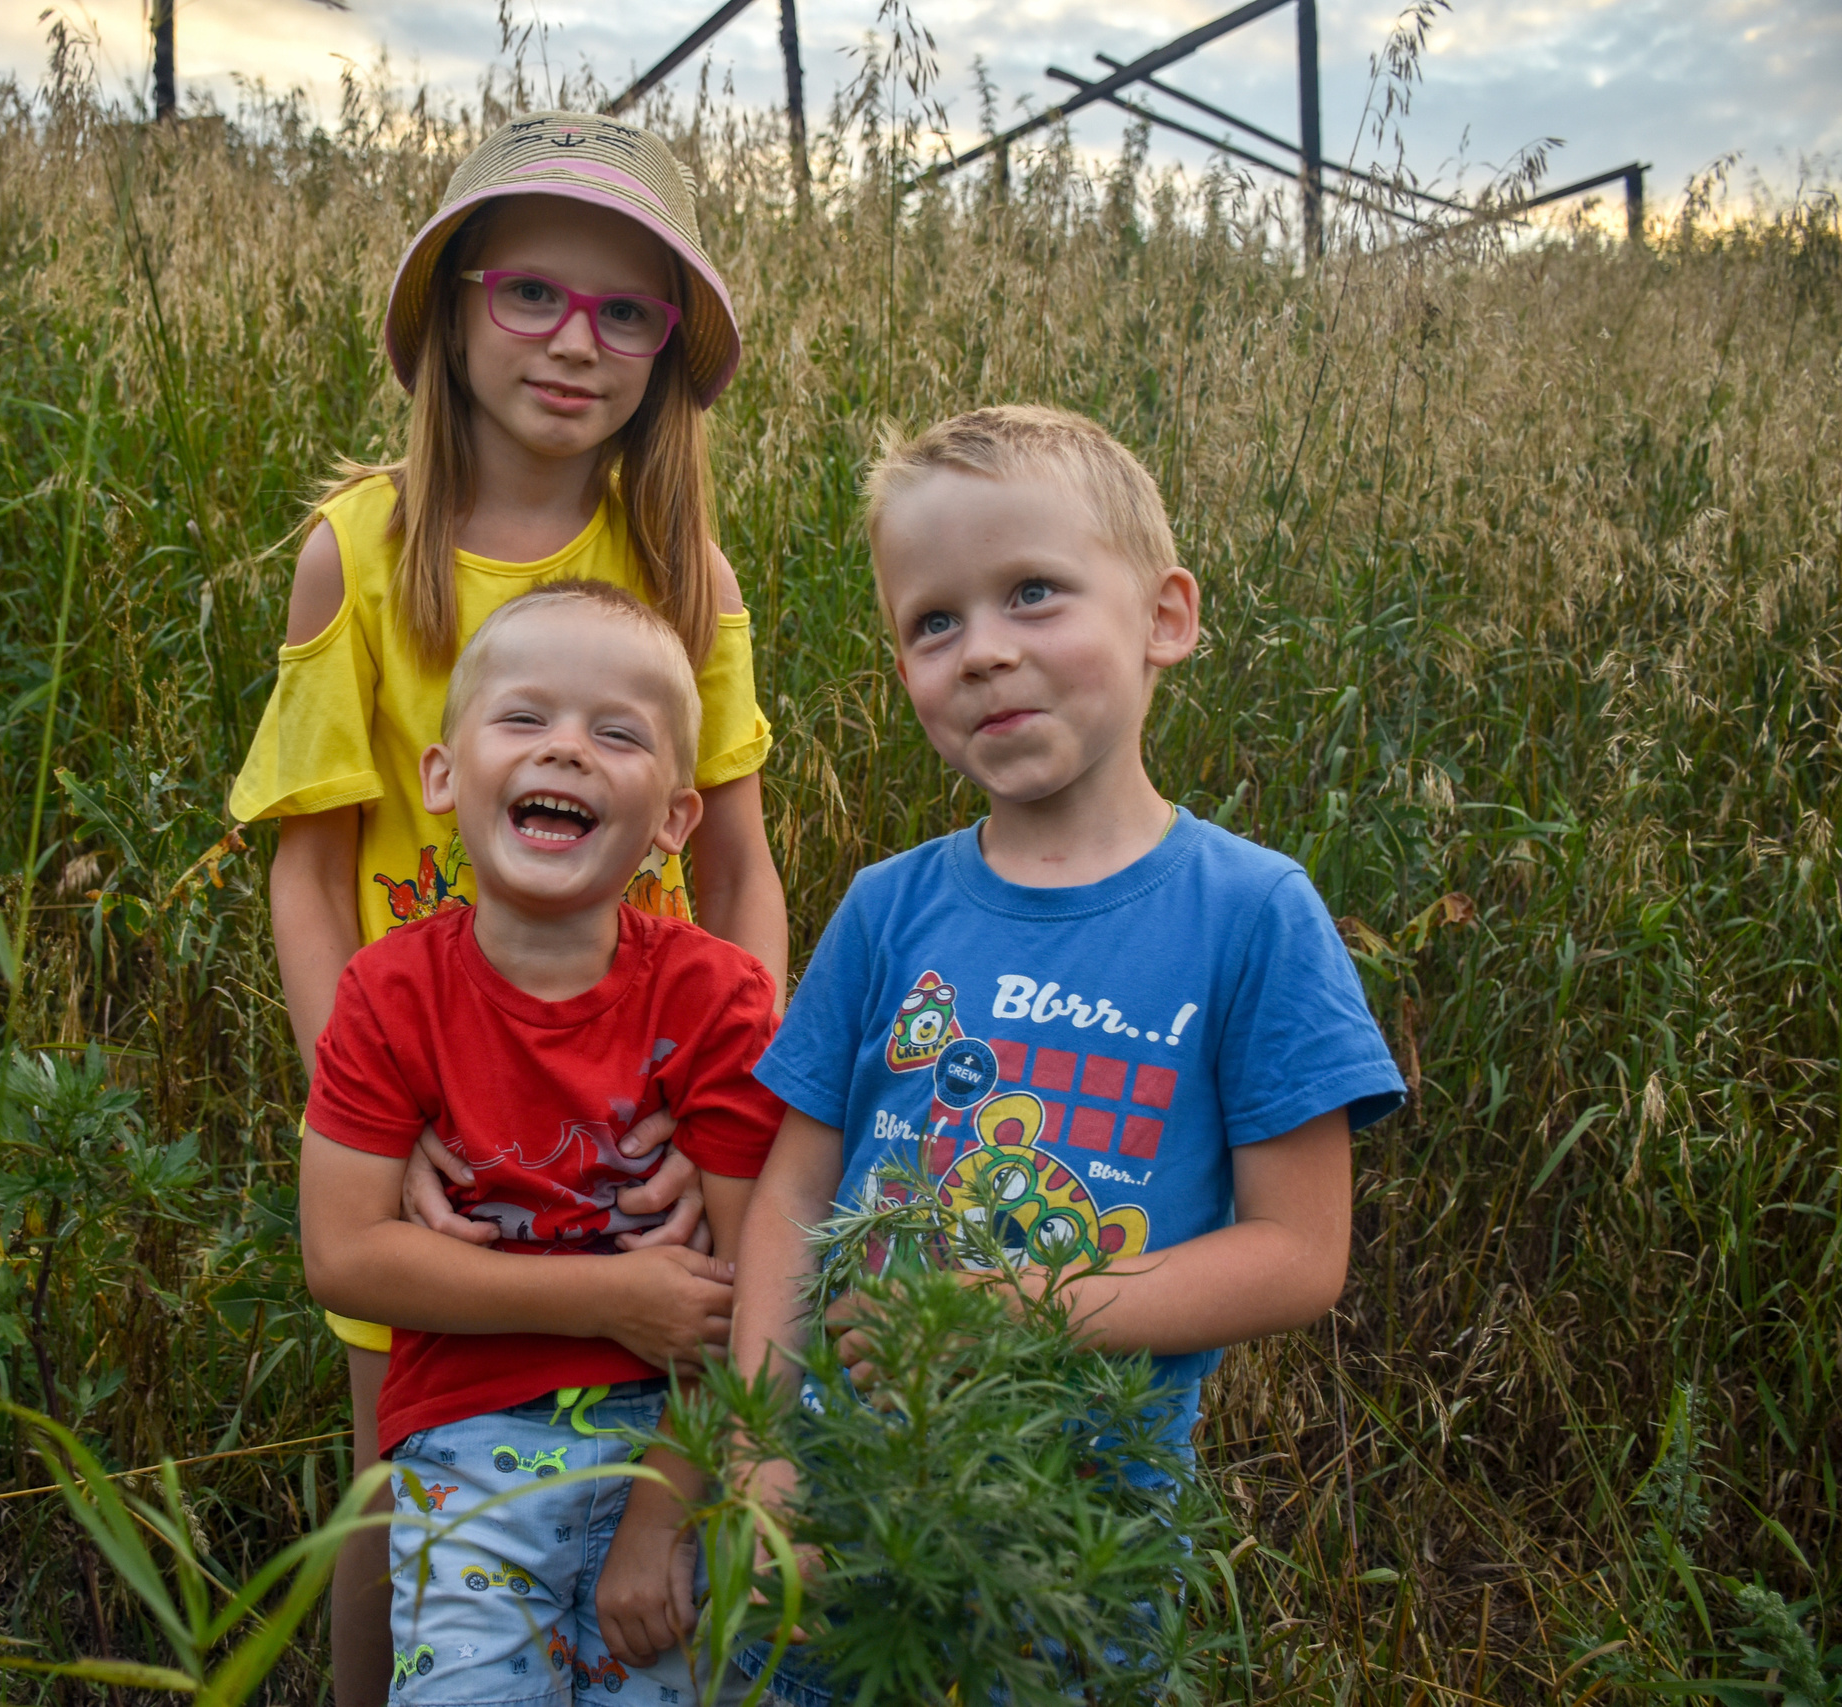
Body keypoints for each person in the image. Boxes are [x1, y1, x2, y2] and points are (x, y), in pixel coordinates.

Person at [228, 112, 788, 1707]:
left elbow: (738, 863)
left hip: (643, 1087)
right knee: (399, 1474)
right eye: (534, 292)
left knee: (651, 1438)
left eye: (627, 312)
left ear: (668, 350)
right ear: (459, 303)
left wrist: (734, 1118)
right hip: (427, 1098)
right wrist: (380, 1116)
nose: (574, 342)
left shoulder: (688, 569)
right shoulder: (359, 552)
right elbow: (313, 868)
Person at [729, 405, 1407, 1701]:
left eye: (1032, 592)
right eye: (933, 622)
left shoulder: (1253, 914)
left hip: (1069, 1552)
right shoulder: (887, 906)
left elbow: (1299, 1253)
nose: (982, 651)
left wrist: (1018, 1311)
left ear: (1166, 615)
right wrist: (764, 1462)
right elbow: (793, 1192)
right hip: (833, 1524)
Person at [299, 581, 785, 1705]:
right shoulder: (388, 992)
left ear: (672, 819)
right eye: (523, 720)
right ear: (440, 776)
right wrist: (609, 1301)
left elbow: (764, 1278)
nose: (565, 750)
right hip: (465, 1458)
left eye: (615, 734)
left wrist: (666, 1500)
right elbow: (346, 1256)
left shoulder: (718, 1001)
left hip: (672, 1441)